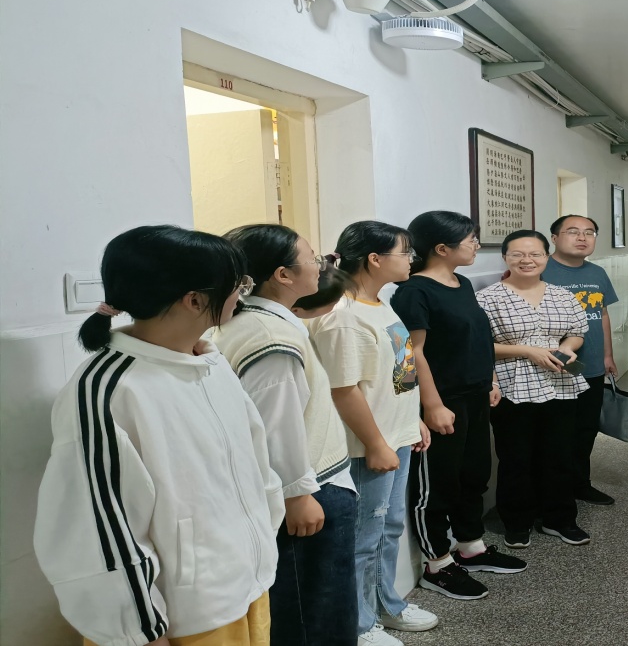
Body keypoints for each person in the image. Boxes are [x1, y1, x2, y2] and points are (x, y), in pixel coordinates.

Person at [34, 225, 283, 646]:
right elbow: (98, 528)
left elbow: (254, 461)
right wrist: (141, 629)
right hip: (177, 619)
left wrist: (260, 538)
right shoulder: (107, 390)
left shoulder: (210, 362)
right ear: (195, 300)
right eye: (237, 285)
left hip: (244, 588)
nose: (241, 295)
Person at [214, 224, 364, 645]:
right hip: (309, 493)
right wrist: (297, 495)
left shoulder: (256, 322)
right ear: (282, 275)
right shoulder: (269, 337)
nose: (320, 265)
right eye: (312, 258)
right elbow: (275, 427)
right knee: (314, 614)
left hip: (308, 486)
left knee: (306, 608)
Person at [309, 221, 435, 646]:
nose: (412, 259)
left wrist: (413, 419)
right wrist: (377, 443)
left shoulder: (380, 304)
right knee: (363, 538)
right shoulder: (342, 316)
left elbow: (398, 374)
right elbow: (342, 391)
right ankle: (359, 625)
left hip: (395, 436)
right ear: (375, 259)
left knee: (389, 527)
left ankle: (386, 605)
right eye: (405, 252)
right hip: (367, 446)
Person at [391, 211, 525, 602]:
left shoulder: (461, 283)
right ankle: (437, 564)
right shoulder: (413, 291)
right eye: (470, 239)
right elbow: (409, 354)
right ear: (441, 248)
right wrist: (430, 405)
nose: (476, 245)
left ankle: (471, 546)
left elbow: (477, 339)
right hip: (441, 401)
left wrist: (491, 381)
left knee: (473, 473)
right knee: (438, 483)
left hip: (474, 395)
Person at [477, 230, 593, 547]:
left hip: (561, 383)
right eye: (517, 254)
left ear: (546, 256)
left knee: (560, 454)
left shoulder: (562, 295)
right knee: (516, 457)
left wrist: (567, 348)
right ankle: (517, 521)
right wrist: (528, 351)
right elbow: (480, 346)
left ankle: (559, 519)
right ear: (505, 257)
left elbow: (577, 332)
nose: (526, 260)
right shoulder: (487, 299)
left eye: (535, 254)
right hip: (511, 386)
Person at [542, 214, 621, 506]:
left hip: (591, 366)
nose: (582, 238)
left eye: (589, 232)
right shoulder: (540, 269)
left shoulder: (597, 272)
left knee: (586, 429)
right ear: (554, 238)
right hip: (553, 368)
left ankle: (580, 484)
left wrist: (607, 354)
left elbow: (602, 314)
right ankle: (554, 493)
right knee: (556, 433)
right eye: (573, 231)